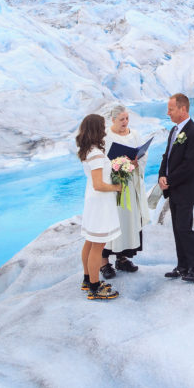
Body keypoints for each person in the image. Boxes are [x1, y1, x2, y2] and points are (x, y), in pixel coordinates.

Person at [158, 93, 194, 283]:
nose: (168, 112)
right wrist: (162, 176)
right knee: (177, 229)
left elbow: (190, 165)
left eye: (171, 109)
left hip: (186, 189)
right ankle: (183, 266)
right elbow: (167, 157)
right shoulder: (174, 131)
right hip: (174, 188)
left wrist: (169, 179)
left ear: (183, 109)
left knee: (184, 229)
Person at [100, 104, 150, 279]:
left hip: (130, 185)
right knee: (111, 222)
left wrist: (136, 163)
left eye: (127, 118)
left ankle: (122, 259)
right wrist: (117, 166)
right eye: (121, 119)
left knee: (127, 222)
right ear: (113, 120)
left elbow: (142, 155)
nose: (125, 122)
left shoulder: (134, 135)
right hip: (112, 187)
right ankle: (103, 264)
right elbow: (101, 161)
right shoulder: (105, 137)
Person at [76, 113, 122, 300]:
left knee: (90, 241)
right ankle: (95, 287)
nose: (104, 129)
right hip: (100, 202)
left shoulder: (88, 150)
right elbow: (98, 184)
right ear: (96, 129)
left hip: (93, 201)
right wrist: (116, 187)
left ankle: (88, 280)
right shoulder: (95, 153)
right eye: (102, 126)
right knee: (98, 245)